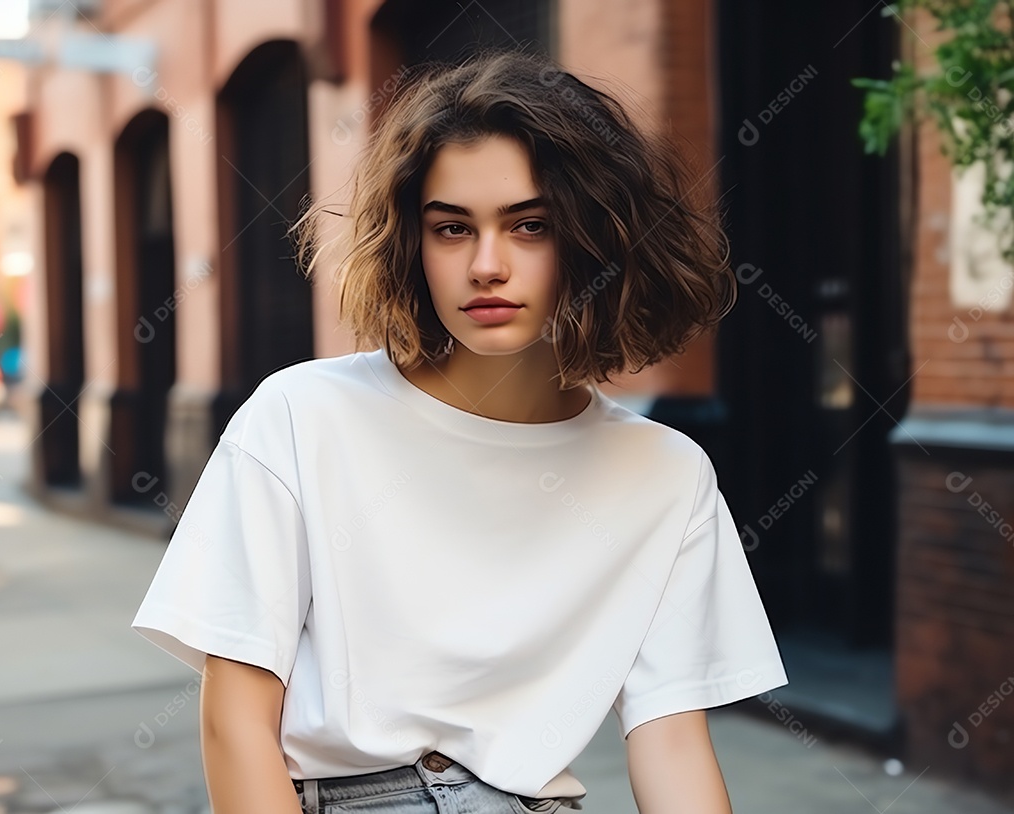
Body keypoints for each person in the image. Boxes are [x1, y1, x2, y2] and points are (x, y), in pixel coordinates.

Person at [131, 48, 788, 814]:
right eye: (451, 228)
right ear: (414, 242)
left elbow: (672, 744)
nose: (486, 265)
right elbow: (236, 719)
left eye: (530, 226)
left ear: (596, 240)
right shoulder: (301, 418)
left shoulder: (666, 474)